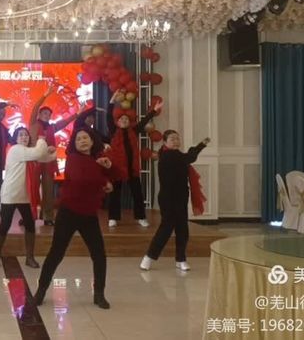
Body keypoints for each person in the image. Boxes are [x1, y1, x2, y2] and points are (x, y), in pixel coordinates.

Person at [34, 127, 114, 309]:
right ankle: (41, 291)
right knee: (56, 253)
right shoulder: (73, 158)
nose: (82, 141)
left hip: (89, 214)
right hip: (68, 213)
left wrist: (109, 169)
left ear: (92, 141)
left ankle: (99, 294)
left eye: (85, 138)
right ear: (74, 144)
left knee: (99, 255)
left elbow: (118, 175)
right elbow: (81, 179)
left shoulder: (99, 160)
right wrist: (104, 181)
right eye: (78, 139)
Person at [140, 131, 209, 272]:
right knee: (166, 229)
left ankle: (181, 259)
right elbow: (190, 157)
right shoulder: (168, 156)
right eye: (172, 139)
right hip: (168, 198)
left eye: (177, 139)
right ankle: (149, 257)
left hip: (181, 197)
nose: (176, 141)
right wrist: (201, 145)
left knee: (182, 229)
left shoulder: (177, 155)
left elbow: (188, 157)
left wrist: (199, 146)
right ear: (165, 142)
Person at [0, 127, 56, 269]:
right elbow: (39, 153)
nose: (24, 137)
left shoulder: (27, 152)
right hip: (10, 194)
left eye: (26, 135)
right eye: (20, 135)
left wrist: (51, 151)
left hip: (24, 195)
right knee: (5, 225)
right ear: (15, 139)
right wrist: (42, 139)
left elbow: (45, 157)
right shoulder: (16, 149)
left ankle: (29, 258)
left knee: (30, 225)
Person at [106, 90, 164, 228]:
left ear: (129, 122)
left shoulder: (134, 131)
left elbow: (144, 121)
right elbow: (108, 115)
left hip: (132, 168)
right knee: (115, 194)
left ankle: (141, 217)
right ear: (117, 122)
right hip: (117, 168)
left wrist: (154, 111)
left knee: (138, 194)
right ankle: (113, 218)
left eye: (126, 119)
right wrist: (112, 100)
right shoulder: (113, 130)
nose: (124, 120)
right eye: (121, 119)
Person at [29, 86, 81, 226]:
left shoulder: (52, 127)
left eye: (49, 114)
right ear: (39, 114)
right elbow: (35, 107)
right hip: (34, 160)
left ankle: (48, 217)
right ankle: (29, 216)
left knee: (48, 190)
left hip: (48, 162)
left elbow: (64, 123)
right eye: (44, 113)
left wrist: (77, 114)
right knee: (32, 189)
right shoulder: (33, 123)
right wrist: (45, 95)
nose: (47, 115)